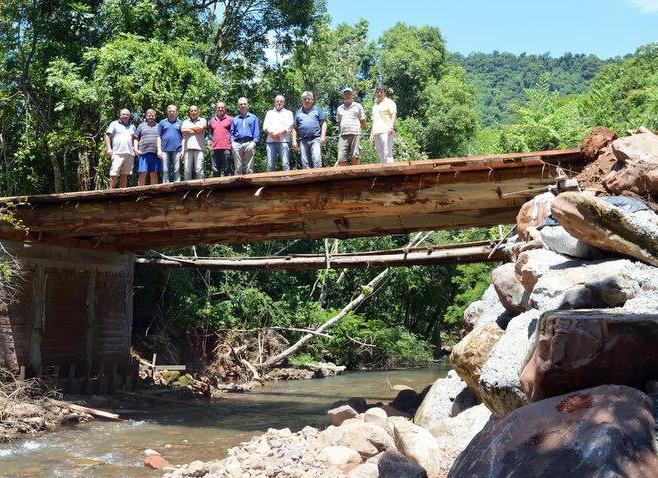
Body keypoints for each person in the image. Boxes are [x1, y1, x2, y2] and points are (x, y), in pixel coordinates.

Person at [292, 91, 327, 169]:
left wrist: (323, 136)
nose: (307, 100)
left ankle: (319, 180)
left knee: (317, 160)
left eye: (309, 99)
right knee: (305, 162)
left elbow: (324, 123)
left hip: (316, 139)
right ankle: (309, 181)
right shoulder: (298, 112)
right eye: (305, 99)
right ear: (302, 101)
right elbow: (294, 128)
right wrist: (294, 141)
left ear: (312, 100)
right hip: (303, 140)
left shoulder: (317, 109)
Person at [105, 108, 137, 188]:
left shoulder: (132, 126)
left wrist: (135, 148)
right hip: (117, 153)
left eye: (127, 114)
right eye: (123, 114)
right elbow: (107, 135)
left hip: (129, 153)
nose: (125, 116)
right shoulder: (114, 124)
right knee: (114, 173)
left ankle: (123, 193)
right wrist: (109, 148)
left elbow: (135, 138)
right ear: (120, 115)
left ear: (129, 116)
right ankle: (111, 193)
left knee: (125, 174)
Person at [262, 95, 293, 172]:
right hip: (270, 142)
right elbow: (265, 126)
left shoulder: (288, 113)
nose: (279, 103)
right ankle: (270, 183)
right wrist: (272, 134)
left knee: (285, 163)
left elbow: (289, 127)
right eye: (277, 101)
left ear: (284, 103)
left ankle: (287, 181)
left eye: (281, 101)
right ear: (274, 102)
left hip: (284, 141)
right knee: (270, 165)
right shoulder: (269, 113)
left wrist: (276, 134)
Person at [336, 87, 366, 166]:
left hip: (355, 133)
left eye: (349, 94)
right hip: (343, 135)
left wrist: (358, 130)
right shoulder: (339, 108)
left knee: (355, 156)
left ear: (352, 95)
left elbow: (362, 121)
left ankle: (355, 175)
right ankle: (341, 177)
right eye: (345, 94)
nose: (347, 95)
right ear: (343, 96)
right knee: (341, 159)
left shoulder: (358, 106)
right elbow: (339, 122)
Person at [230, 97, 260, 175]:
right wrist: (233, 142)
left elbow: (256, 131)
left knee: (249, 167)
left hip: (249, 143)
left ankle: (250, 185)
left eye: (244, 104)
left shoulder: (253, 117)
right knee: (238, 167)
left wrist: (253, 142)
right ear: (238, 107)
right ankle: (238, 185)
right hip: (237, 144)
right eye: (241, 104)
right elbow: (231, 132)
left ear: (247, 105)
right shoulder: (235, 119)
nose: (243, 105)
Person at [371, 85, 397, 164]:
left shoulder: (390, 102)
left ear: (385, 93)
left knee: (387, 153)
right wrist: (372, 132)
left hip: (386, 131)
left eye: (381, 92)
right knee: (380, 154)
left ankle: (391, 172)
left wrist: (391, 126)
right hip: (376, 131)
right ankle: (385, 173)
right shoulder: (375, 105)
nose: (379, 93)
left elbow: (393, 115)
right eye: (377, 92)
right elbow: (374, 119)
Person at [134, 109, 161, 186]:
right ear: (146, 116)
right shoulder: (141, 126)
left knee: (154, 173)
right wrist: (136, 149)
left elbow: (162, 138)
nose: (150, 117)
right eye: (149, 115)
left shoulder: (159, 126)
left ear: (155, 116)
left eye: (152, 115)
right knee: (142, 172)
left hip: (155, 153)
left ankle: (154, 192)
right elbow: (136, 138)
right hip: (143, 153)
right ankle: (140, 191)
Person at [158, 105, 183, 183]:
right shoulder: (162, 122)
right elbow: (158, 137)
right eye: (170, 111)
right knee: (165, 170)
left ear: (176, 112)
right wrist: (159, 150)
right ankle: (165, 189)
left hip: (177, 149)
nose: (171, 113)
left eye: (173, 111)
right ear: (167, 112)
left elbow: (184, 138)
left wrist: (183, 150)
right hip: (164, 150)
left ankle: (178, 188)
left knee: (177, 170)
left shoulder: (181, 123)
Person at [181, 105, 207, 180]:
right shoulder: (185, 121)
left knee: (199, 170)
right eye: (191, 111)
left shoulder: (202, 120)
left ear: (198, 111)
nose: (193, 112)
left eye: (195, 110)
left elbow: (201, 128)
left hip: (199, 148)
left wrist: (190, 129)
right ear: (189, 112)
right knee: (187, 170)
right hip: (187, 148)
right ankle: (188, 189)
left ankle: (201, 188)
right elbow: (183, 130)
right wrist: (196, 130)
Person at [208, 101, 234, 177]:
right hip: (215, 148)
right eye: (218, 107)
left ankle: (229, 188)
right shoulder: (212, 121)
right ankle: (216, 188)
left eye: (222, 107)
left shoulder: (230, 119)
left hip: (226, 147)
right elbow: (212, 133)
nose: (220, 109)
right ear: (216, 109)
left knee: (227, 169)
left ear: (225, 109)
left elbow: (233, 133)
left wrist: (232, 144)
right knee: (215, 170)